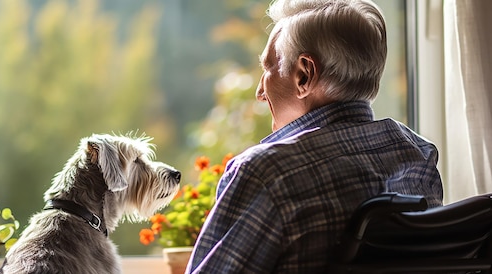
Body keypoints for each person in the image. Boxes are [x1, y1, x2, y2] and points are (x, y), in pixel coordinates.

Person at [186, 0, 444, 273]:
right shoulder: (419, 155)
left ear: (304, 75)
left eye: (268, 69)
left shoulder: (266, 173)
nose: (260, 92)